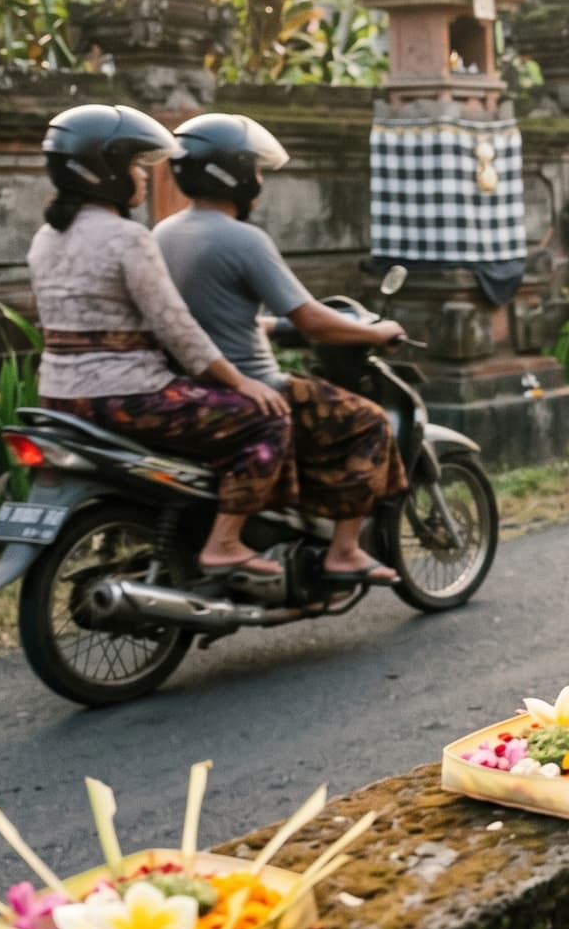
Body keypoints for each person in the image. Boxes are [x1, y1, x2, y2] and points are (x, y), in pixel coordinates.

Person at [27, 104, 293, 585]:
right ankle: (225, 542)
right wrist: (240, 383)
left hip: (59, 399)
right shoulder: (128, 237)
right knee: (264, 418)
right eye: (134, 166)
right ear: (105, 173)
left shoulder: (45, 238)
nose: (144, 178)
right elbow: (176, 327)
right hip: (126, 398)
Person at [155, 114, 407, 587]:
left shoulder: (162, 233)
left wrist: (261, 326)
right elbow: (311, 319)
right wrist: (377, 332)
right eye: (256, 171)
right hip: (254, 389)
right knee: (369, 422)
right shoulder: (244, 239)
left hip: (187, 390)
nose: (260, 183)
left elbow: (205, 311)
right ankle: (345, 551)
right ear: (233, 173)